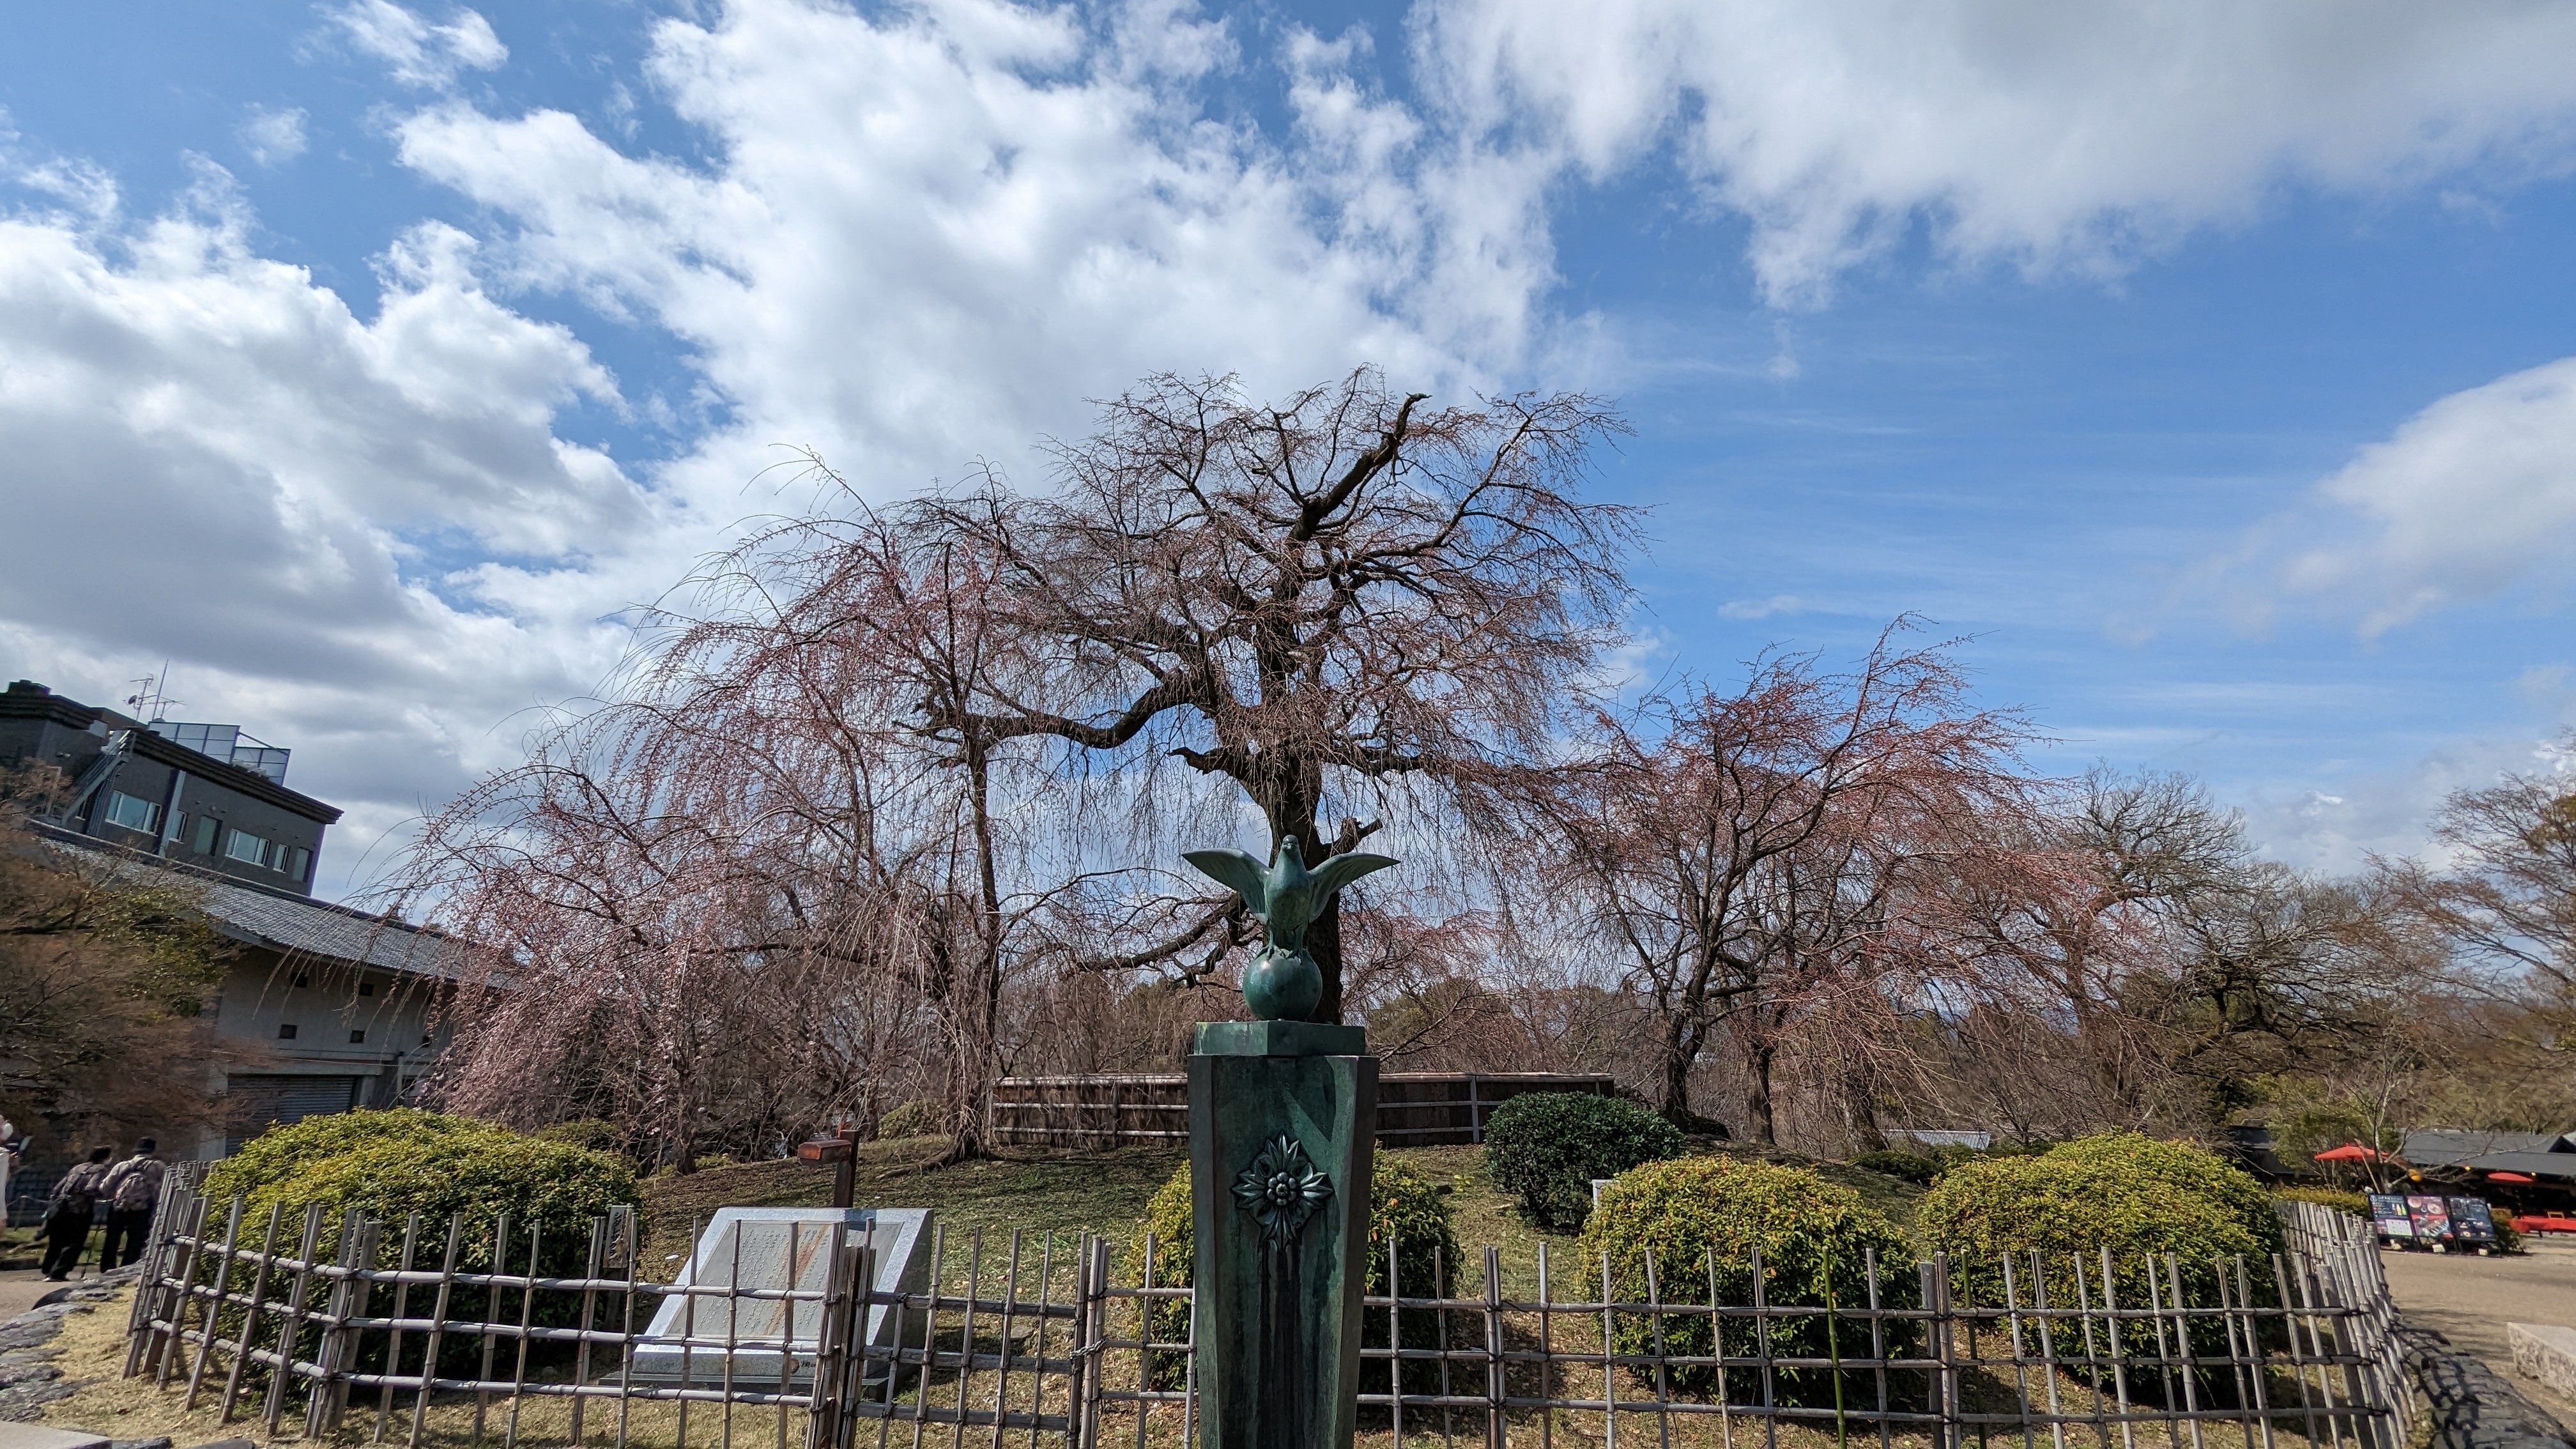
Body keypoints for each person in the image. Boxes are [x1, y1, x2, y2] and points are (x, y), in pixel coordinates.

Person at [40, 1146, 112, 1280]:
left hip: (61, 1207)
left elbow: (57, 1189)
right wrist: (103, 1195)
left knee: (57, 1240)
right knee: (74, 1242)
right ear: (106, 1158)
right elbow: (91, 1188)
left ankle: (48, 1269)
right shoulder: (100, 1169)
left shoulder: (77, 1168)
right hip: (80, 1210)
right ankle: (58, 1272)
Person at [97, 1137, 167, 1270]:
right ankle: (127, 1268)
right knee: (136, 1241)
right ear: (152, 1150)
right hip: (142, 1208)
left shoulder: (122, 1165)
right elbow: (166, 1186)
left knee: (112, 1238)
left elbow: (104, 1187)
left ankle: (107, 1268)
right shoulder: (158, 1167)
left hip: (119, 1207)